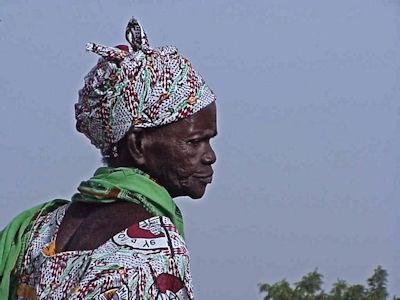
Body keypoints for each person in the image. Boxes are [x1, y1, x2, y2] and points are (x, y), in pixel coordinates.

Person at [0, 17, 217, 300]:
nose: (210, 156)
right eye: (195, 141)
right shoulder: (154, 245)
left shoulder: (35, 230)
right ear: (138, 145)